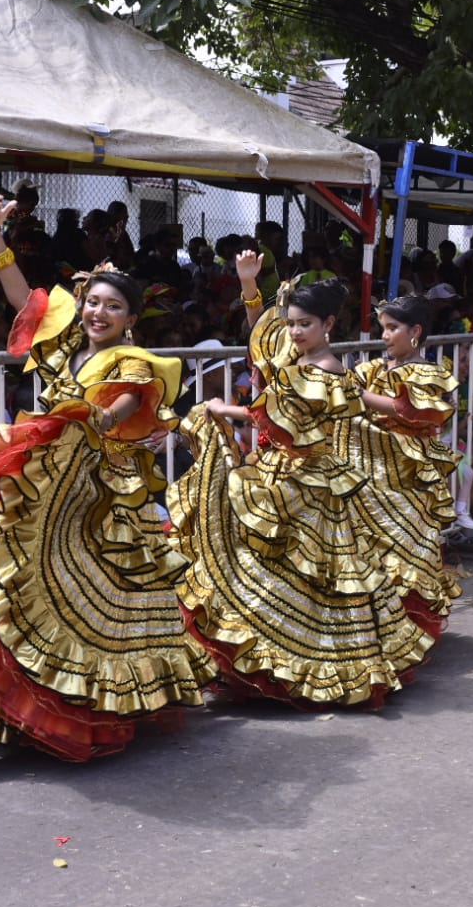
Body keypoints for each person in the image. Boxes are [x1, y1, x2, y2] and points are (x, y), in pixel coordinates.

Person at [0, 196, 215, 761]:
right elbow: (24, 299)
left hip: (102, 493)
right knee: (26, 589)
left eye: (112, 308)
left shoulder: (131, 360)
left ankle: (95, 708)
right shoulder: (64, 347)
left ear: (130, 319)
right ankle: (24, 709)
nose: (97, 314)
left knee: (100, 599)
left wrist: (94, 419)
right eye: (92, 303)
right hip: (50, 484)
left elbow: (125, 401)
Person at [170, 256, 432, 708]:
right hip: (287, 474)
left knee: (312, 576)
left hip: (310, 483)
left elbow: (270, 418)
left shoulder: (324, 367)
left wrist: (218, 409)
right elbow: (265, 341)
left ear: (328, 323)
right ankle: (266, 658)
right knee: (276, 567)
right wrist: (249, 286)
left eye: (303, 324)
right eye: (292, 324)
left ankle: (308, 665)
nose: (293, 332)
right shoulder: (309, 357)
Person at [345, 294, 463, 637]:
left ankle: (406, 628)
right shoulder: (372, 369)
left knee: (404, 547)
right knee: (367, 547)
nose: (384, 336)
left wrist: (358, 396)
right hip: (366, 468)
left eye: (392, 328)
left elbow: (406, 410)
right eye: (383, 328)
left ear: (415, 331)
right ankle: (373, 624)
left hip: (406, 473)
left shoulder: (429, 373)